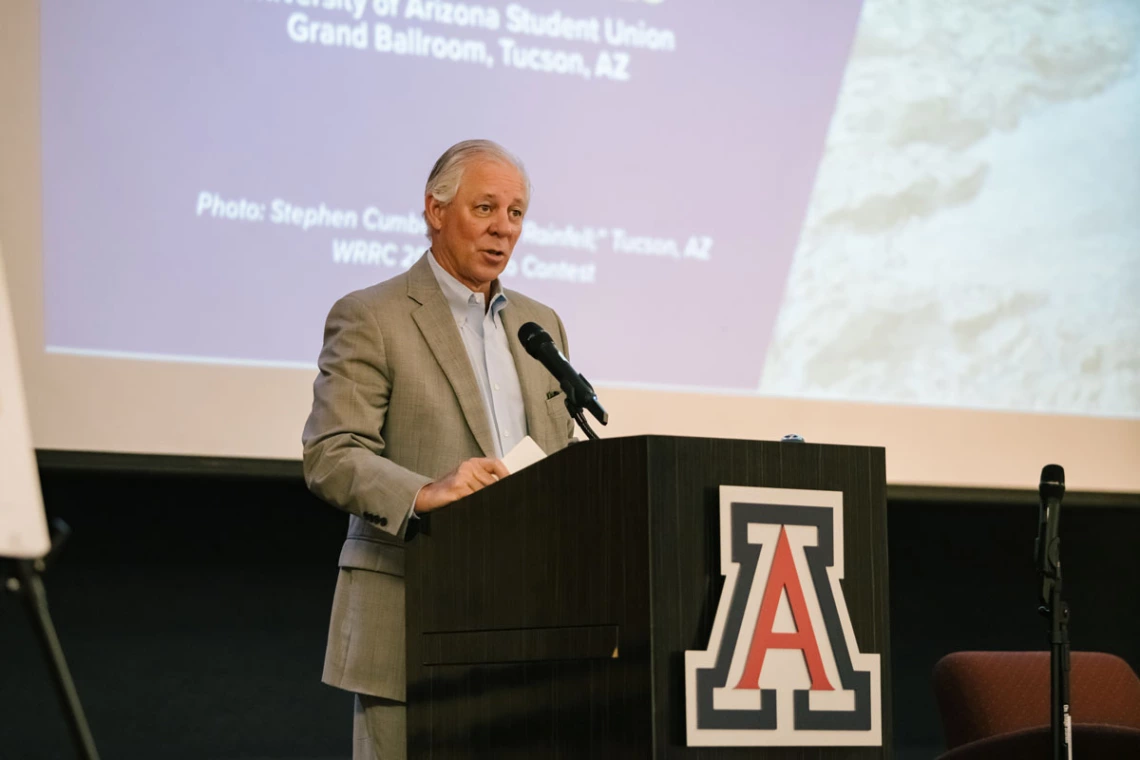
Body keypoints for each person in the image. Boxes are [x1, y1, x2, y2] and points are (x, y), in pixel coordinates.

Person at [301, 139, 577, 759]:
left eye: (516, 213)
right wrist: (424, 492)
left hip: (526, 621)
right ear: (435, 208)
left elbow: (560, 454)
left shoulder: (542, 326)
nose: (503, 229)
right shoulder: (372, 315)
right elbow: (331, 452)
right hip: (410, 612)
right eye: (485, 208)